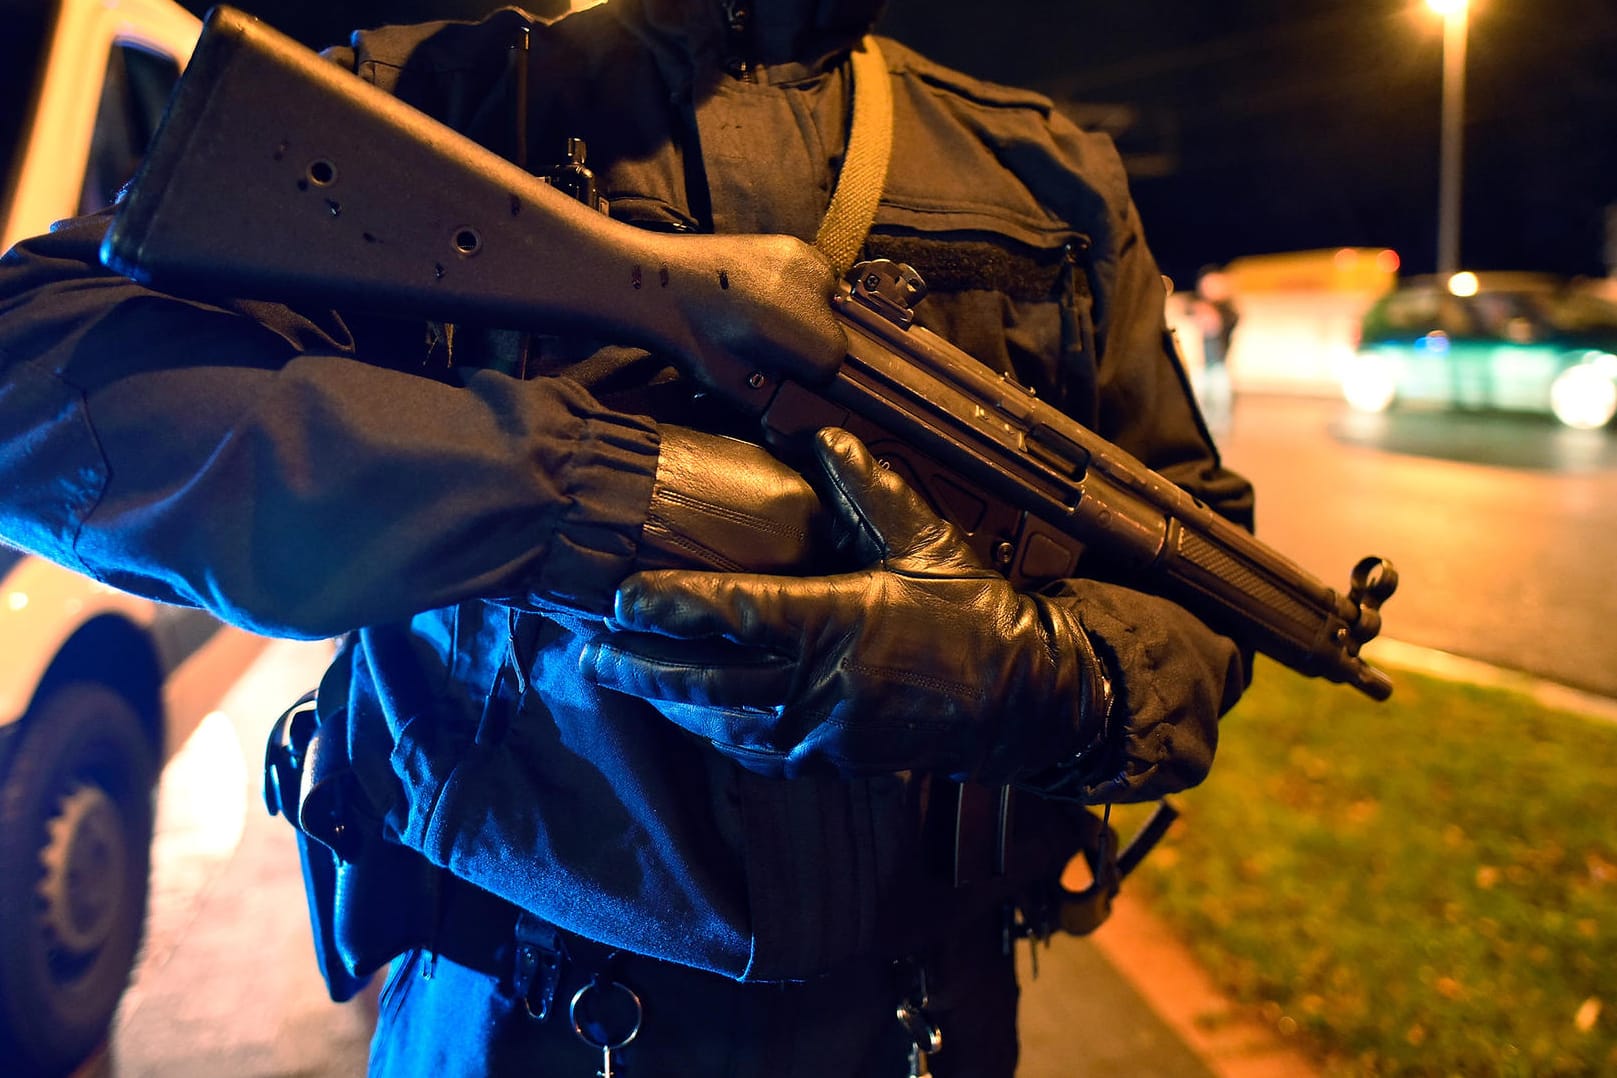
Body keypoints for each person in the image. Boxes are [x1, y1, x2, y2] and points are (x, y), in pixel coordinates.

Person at [0, 1, 1254, 1074]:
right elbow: (36, 368)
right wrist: (588, 489)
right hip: (523, 1019)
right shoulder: (451, 95)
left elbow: (1209, 592)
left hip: (929, 1026)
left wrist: (1045, 677)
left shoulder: (1047, 177)